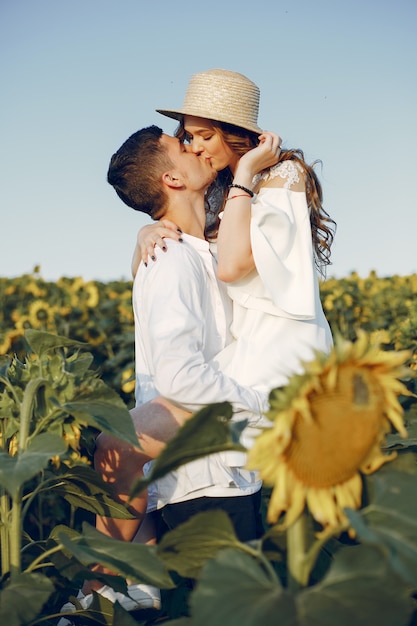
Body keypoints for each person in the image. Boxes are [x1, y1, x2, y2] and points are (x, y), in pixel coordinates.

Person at [58, 124, 272, 625]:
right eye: (183, 144)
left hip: (215, 470)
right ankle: (103, 592)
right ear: (173, 178)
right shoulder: (170, 258)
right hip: (205, 472)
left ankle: (112, 589)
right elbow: (179, 378)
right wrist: (265, 407)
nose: (196, 145)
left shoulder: (204, 247)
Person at [134, 68, 336, 399]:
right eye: (189, 137)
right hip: (240, 347)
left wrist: (244, 171)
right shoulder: (215, 188)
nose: (196, 147)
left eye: (206, 136)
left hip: (282, 345)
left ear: (233, 133)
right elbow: (159, 264)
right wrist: (146, 232)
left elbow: (230, 266)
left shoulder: (283, 175)